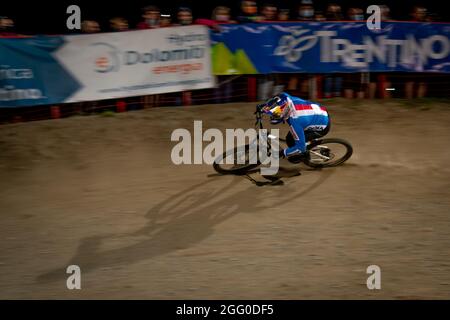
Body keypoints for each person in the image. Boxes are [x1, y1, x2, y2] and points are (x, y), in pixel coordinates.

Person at [258, 92, 330, 162]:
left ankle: (304, 154)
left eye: (275, 115)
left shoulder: (295, 122)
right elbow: (278, 98)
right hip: (319, 112)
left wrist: (283, 153)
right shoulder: (287, 98)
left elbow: (300, 148)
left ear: (284, 112)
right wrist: (265, 106)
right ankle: (305, 144)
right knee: (291, 138)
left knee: (292, 141)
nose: (272, 117)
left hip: (323, 126)